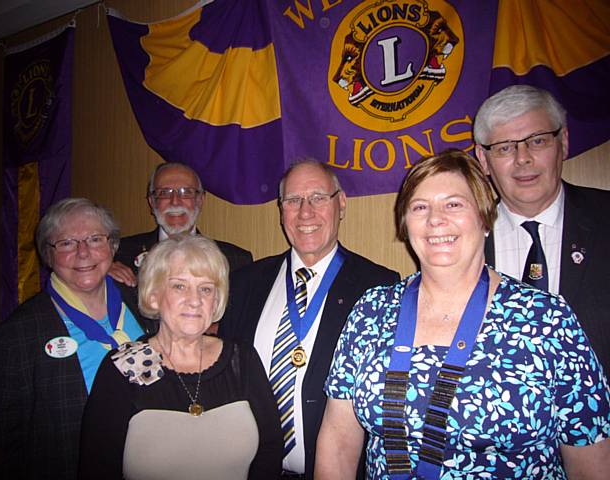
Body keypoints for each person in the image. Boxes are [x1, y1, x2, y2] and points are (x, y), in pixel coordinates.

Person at [315, 149, 610, 479]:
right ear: (405, 224)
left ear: (484, 218)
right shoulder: (371, 311)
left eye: (453, 204)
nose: (435, 219)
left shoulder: (548, 320)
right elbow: (339, 441)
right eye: (420, 207)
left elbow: (591, 463)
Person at [220, 159, 399, 479]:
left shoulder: (379, 287)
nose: (305, 212)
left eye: (318, 197)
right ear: (280, 210)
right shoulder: (245, 282)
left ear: (341, 203)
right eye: (293, 200)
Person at [0, 198, 155, 480]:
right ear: (48, 253)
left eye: (95, 239)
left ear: (112, 246)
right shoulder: (14, 337)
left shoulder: (144, 306)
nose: (84, 252)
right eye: (67, 243)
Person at [79, 234, 282, 480]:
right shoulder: (123, 368)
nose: (195, 300)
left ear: (216, 301)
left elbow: (270, 449)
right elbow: (97, 467)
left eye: (205, 289)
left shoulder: (242, 360)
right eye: (179, 286)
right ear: (154, 295)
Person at [473, 84, 610, 372]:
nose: (522, 158)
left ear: (564, 142)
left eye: (537, 141)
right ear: (483, 160)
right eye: (505, 147)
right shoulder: (462, 242)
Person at [110, 162, 252, 287]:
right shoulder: (119, 254)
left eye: (186, 192)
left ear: (200, 201)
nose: (175, 201)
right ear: (152, 202)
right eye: (165, 193)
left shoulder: (236, 261)